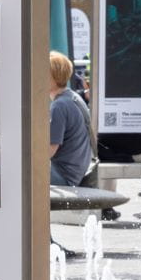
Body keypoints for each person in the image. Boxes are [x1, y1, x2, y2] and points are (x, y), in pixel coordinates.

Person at [47, 51, 91, 186]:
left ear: (52, 77)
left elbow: (49, 151)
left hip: (63, 176)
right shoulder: (73, 97)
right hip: (74, 173)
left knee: (12, 169)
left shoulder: (59, 106)